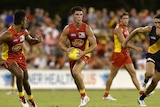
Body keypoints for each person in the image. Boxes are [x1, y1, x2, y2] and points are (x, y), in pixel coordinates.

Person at [0, 9, 42, 107]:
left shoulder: (24, 32)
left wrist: (37, 40)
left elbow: (30, 41)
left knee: (25, 80)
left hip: (20, 57)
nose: (27, 22)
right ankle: (22, 98)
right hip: (8, 58)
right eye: (26, 20)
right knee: (19, 74)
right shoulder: (8, 34)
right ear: (22, 21)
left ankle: (31, 99)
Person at [58, 6, 97, 107]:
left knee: (76, 72)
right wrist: (67, 49)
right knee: (75, 77)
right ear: (73, 16)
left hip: (84, 53)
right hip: (73, 55)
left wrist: (84, 52)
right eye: (77, 15)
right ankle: (83, 96)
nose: (79, 17)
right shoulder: (67, 29)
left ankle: (84, 96)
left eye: (81, 15)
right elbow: (60, 43)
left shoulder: (87, 28)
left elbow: (94, 45)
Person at [102, 12, 144, 101]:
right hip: (118, 54)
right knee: (112, 75)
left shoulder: (126, 28)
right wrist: (135, 48)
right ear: (120, 19)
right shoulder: (118, 29)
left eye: (127, 18)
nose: (126, 20)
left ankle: (141, 93)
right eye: (124, 18)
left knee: (133, 73)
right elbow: (123, 43)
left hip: (125, 54)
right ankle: (106, 95)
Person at [122, 14, 160, 106]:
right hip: (152, 54)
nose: (157, 24)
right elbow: (136, 31)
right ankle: (145, 81)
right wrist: (126, 41)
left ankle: (141, 98)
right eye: (155, 22)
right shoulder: (151, 29)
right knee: (149, 73)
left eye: (159, 23)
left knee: (155, 82)